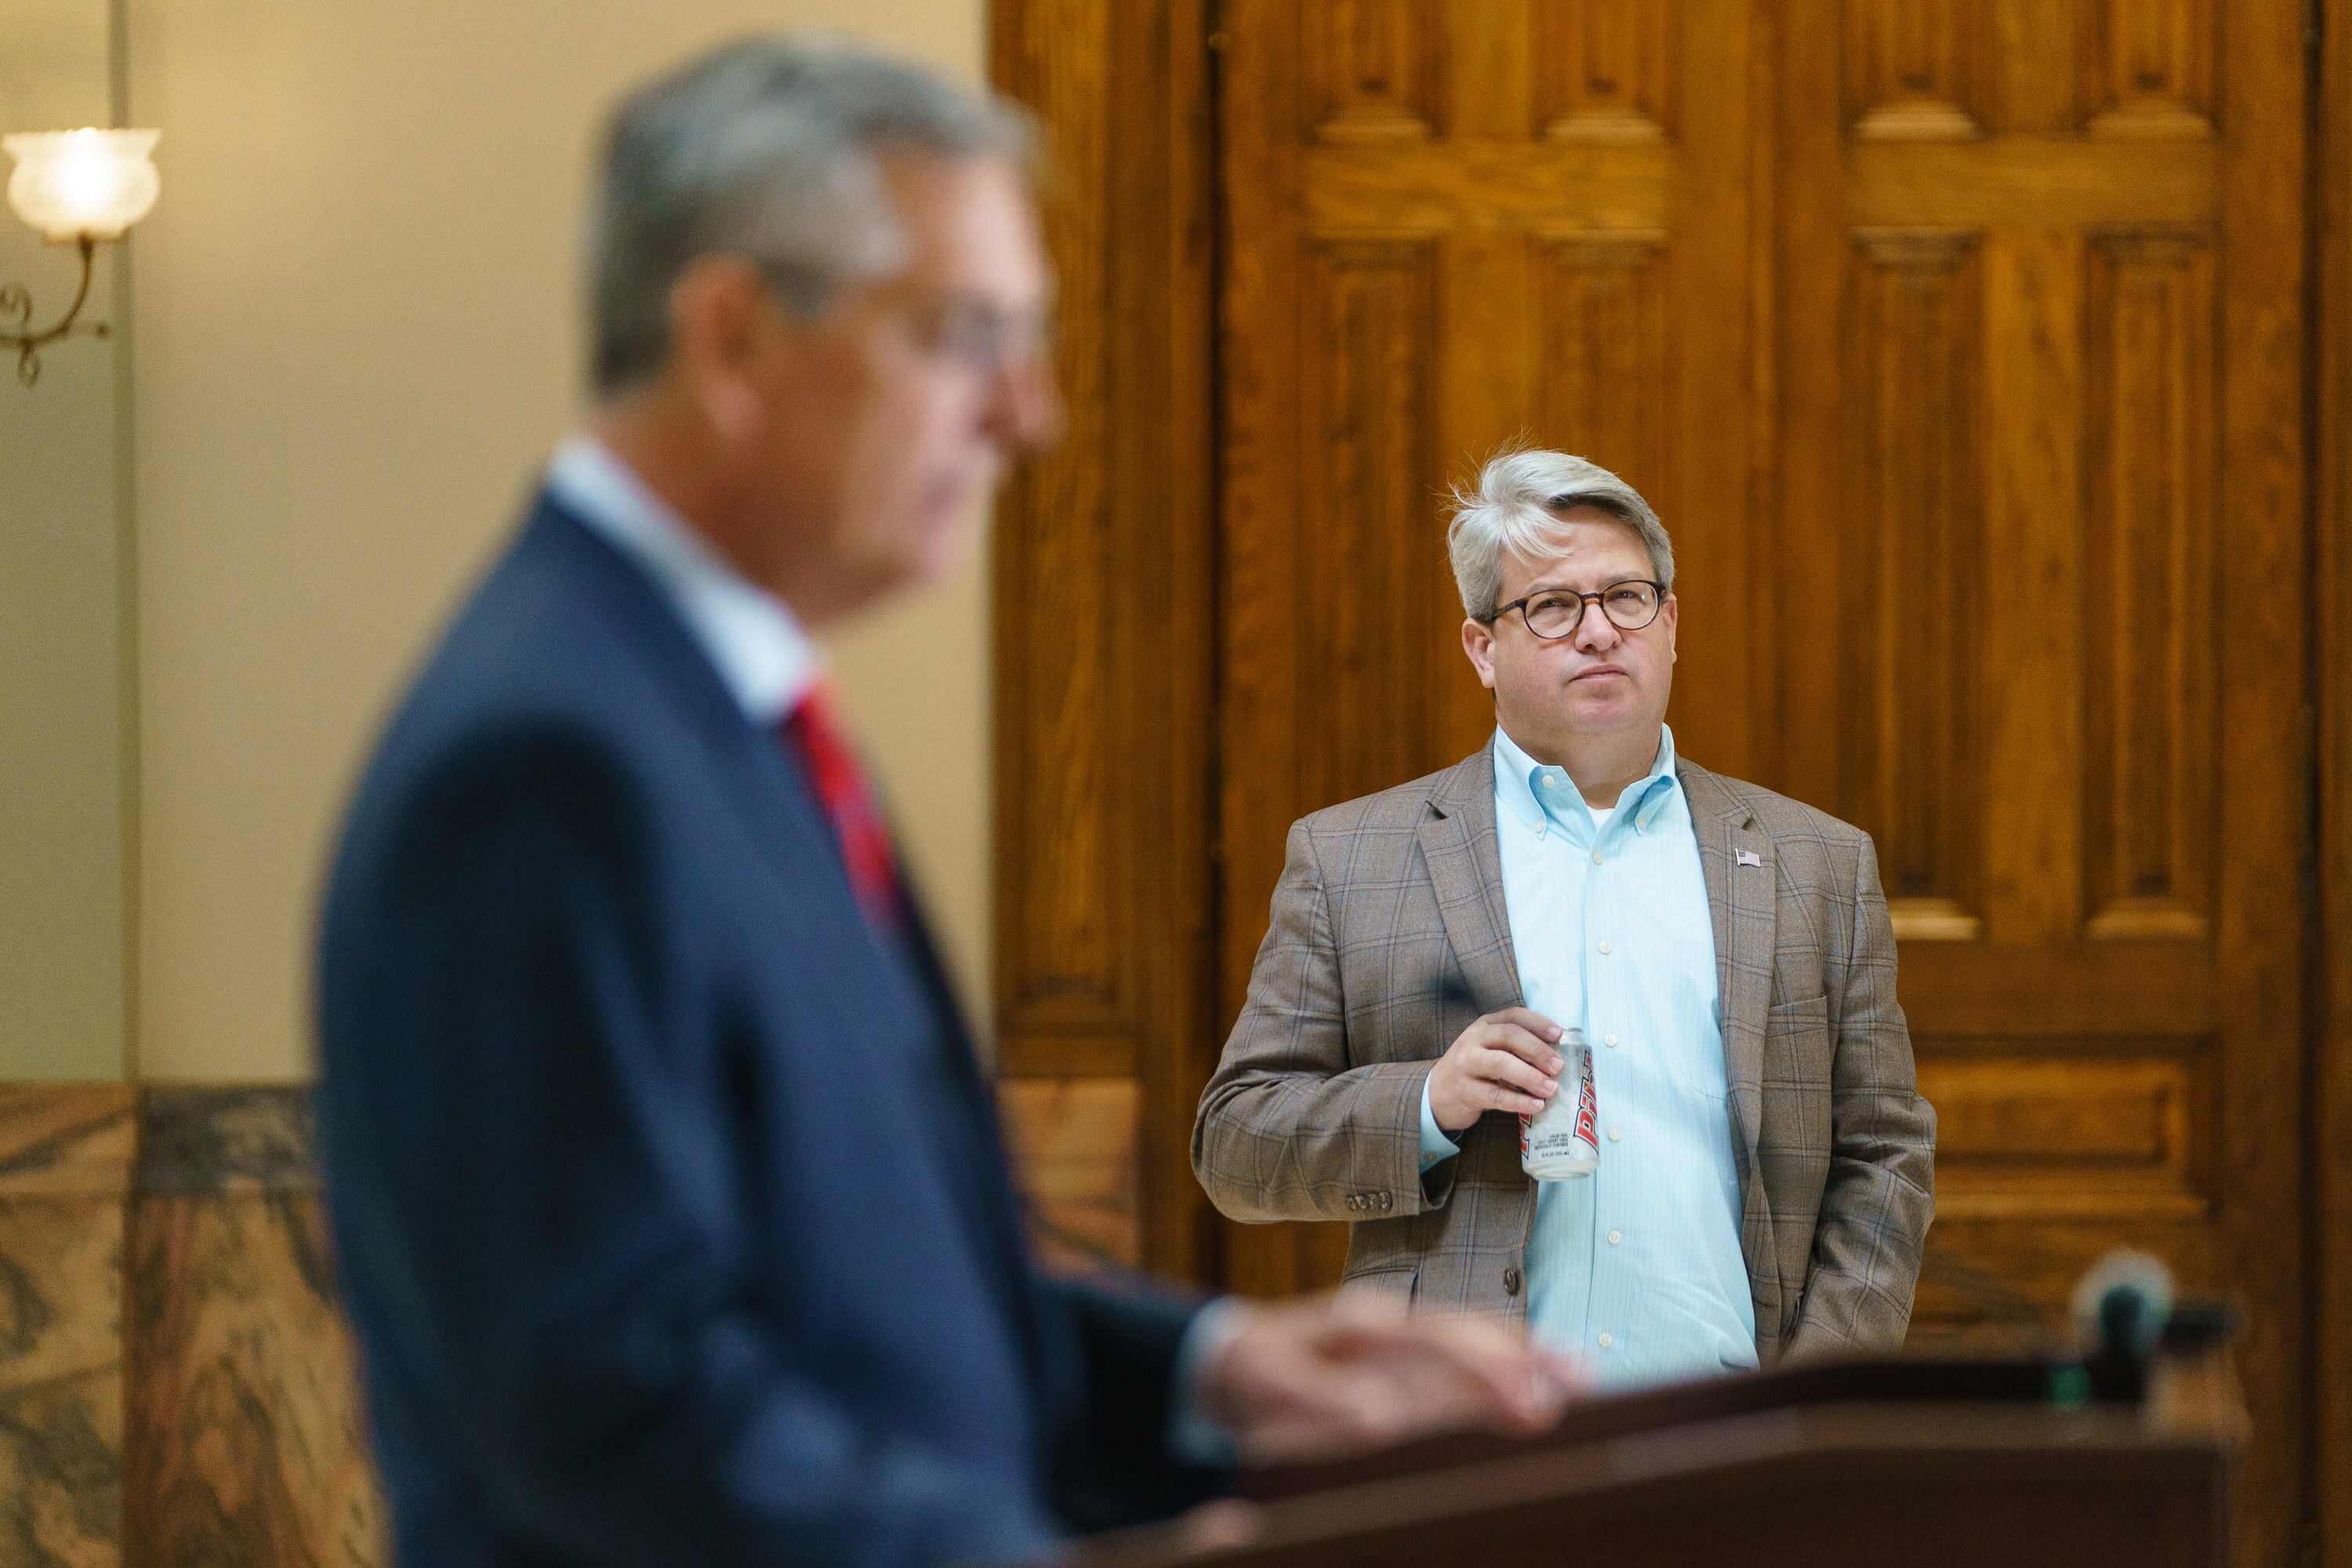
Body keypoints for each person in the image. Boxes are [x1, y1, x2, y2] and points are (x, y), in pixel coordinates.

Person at [315, 38, 1574, 1568]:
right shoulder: (540, 770)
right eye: (965, 334)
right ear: (732, 335)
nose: (1027, 412)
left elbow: (853, 1303)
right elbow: (609, 1399)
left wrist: (1208, 1372)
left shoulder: (726, 714)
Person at [1192, 449, 1936, 1388]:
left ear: (1671, 625)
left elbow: (1885, 1154)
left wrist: (1815, 1394)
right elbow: (1235, 1143)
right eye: (1550, 606)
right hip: (1474, 1442)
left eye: (1626, 597)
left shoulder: (1816, 863)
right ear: (1482, 648)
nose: (1597, 632)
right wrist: (1427, 1102)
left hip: (1731, 1444)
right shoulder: (1353, 859)